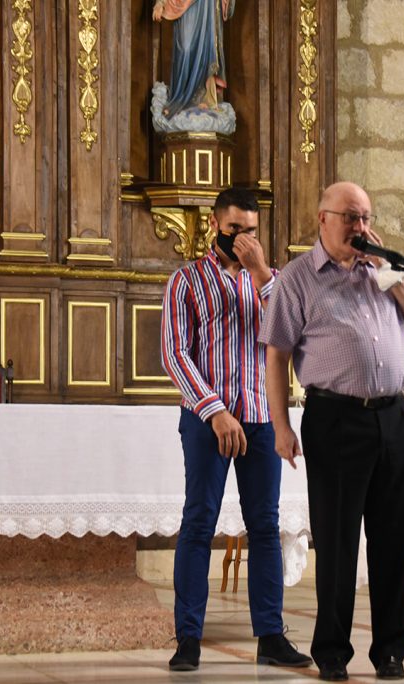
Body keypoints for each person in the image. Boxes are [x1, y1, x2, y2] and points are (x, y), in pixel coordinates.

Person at [260, 181, 404, 682]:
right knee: (338, 542)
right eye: (350, 217)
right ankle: (333, 652)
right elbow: (276, 354)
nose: (359, 227)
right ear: (323, 219)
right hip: (335, 419)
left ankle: (391, 651)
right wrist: (280, 426)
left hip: (394, 417)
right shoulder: (298, 279)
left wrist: (390, 275)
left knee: (393, 538)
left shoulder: (386, 270)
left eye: (365, 218)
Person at [160, 187, 312, 672]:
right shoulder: (185, 281)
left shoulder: (273, 280)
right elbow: (175, 353)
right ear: (214, 225)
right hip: (208, 418)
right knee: (199, 522)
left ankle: (270, 637)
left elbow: (290, 334)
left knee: (265, 526)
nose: (243, 239)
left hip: (261, 416)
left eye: (251, 231)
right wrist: (214, 411)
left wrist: (261, 273)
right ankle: (188, 639)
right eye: (234, 230)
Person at [151, 0, 233, 117]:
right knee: (185, 48)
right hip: (184, 3)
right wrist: (161, 3)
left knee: (206, 47)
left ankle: (204, 99)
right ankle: (179, 100)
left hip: (207, 5)